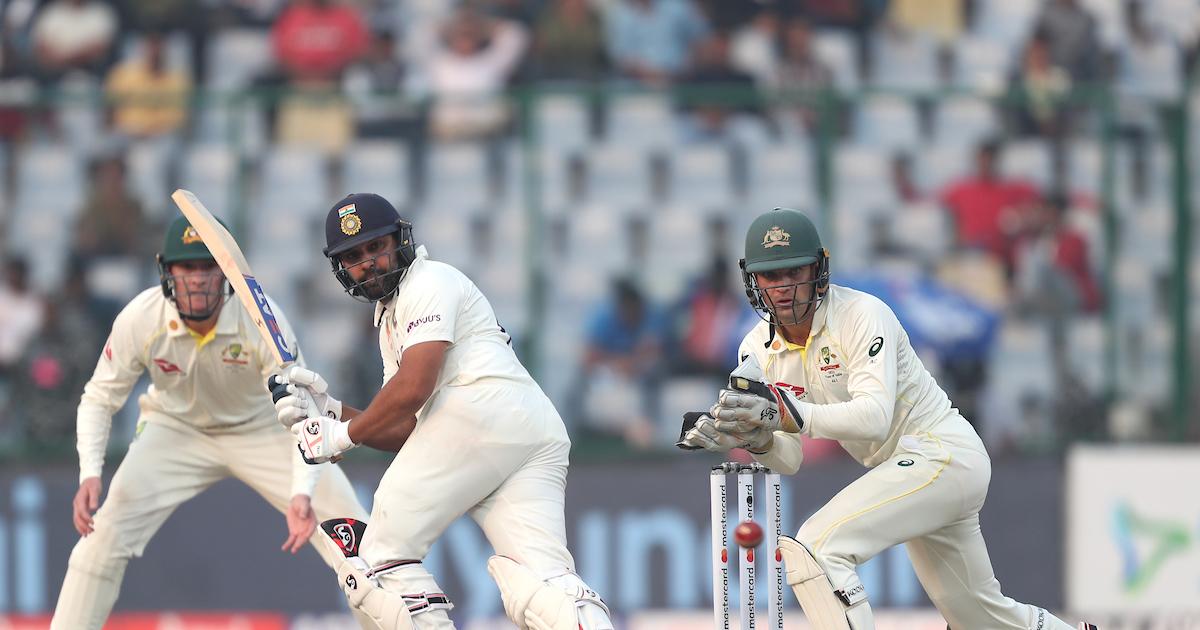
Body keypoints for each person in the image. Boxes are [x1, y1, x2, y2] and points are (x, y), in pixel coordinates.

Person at [678, 207, 1096, 630]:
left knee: (818, 547)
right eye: (771, 276)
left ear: (818, 270)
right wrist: (756, 438)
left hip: (942, 453)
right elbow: (790, 459)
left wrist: (783, 412)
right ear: (753, 280)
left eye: (794, 272)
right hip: (907, 470)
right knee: (979, 618)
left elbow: (874, 418)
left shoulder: (861, 315)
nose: (784, 287)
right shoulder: (756, 349)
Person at [270, 193, 613, 629]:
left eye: (376, 247)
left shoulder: (429, 282)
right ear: (340, 267)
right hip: (528, 429)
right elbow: (407, 428)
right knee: (544, 581)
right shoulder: (391, 318)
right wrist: (334, 411)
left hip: (478, 414)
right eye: (354, 256)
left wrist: (339, 437)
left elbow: (414, 387)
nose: (369, 263)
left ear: (400, 241)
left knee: (378, 560)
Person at [49, 216, 372, 630]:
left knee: (354, 535)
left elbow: (303, 409)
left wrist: (301, 492)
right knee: (100, 542)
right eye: (187, 267)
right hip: (175, 430)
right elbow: (99, 396)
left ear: (226, 272)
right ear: (166, 272)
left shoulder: (261, 317)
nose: (198, 279)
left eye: (207, 267)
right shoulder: (142, 318)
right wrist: (90, 472)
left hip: (264, 427)